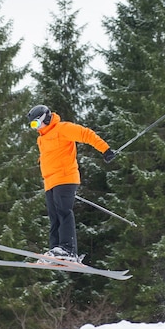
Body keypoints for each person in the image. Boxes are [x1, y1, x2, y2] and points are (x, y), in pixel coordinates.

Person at [27, 104, 116, 263]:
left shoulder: (62, 128)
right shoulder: (41, 139)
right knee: (54, 217)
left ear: (46, 118)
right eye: (32, 125)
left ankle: (68, 249)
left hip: (65, 177)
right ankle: (56, 251)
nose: (35, 128)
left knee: (63, 212)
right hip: (50, 182)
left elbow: (86, 134)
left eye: (36, 124)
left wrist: (105, 149)